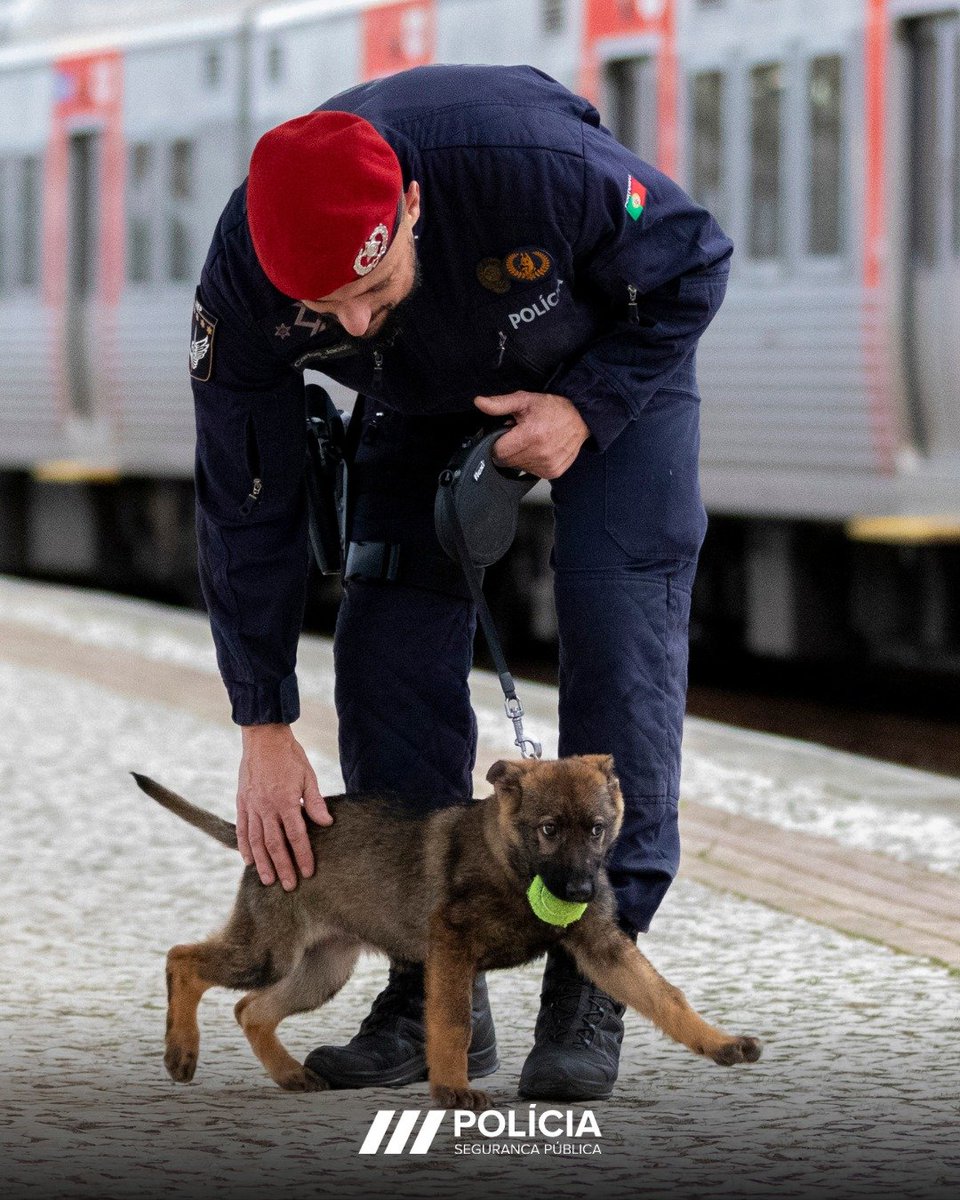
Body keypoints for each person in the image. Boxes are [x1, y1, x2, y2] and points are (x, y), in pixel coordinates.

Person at [189, 63, 732, 1101]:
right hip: (421, 389)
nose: (349, 324)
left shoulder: (537, 174)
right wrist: (261, 717)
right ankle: (430, 983)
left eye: (372, 289)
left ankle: (593, 975)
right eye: (326, 308)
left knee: (615, 608)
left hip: (610, 363)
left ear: (412, 209)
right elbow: (243, 496)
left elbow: (694, 261)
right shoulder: (244, 280)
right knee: (387, 622)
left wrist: (587, 408)